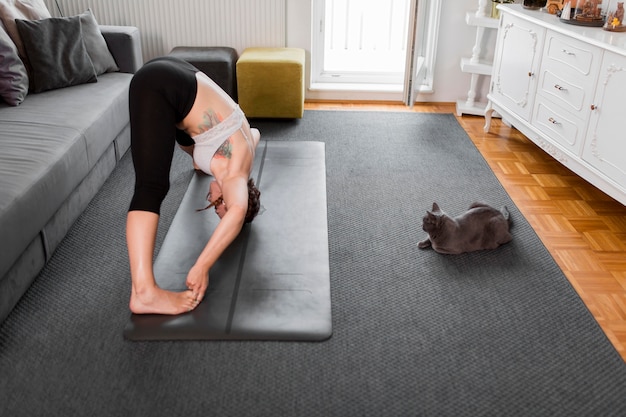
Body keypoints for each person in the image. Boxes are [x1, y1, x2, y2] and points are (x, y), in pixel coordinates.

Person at [127, 56, 261, 315]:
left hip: (177, 70)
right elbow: (237, 212)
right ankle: (144, 293)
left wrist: (197, 160)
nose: (214, 204)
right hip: (160, 85)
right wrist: (202, 266)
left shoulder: (248, 151)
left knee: (188, 138)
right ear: (234, 195)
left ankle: (145, 292)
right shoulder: (233, 175)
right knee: (151, 187)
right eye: (219, 206)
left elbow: (255, 132)